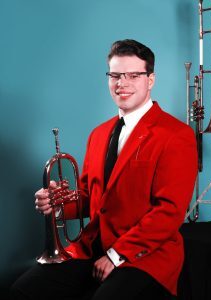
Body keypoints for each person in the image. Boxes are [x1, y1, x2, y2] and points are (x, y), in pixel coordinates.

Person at [11, 39, 198, 300]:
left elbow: (169, 212)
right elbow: (91, 197)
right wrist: (58, 204)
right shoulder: (99, 134)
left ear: (151, 80)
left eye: (134, 75)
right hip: (92, 248)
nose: (123, 83)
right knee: (23, 290)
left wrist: (116, 254)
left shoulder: (176, 135)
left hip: (145, 257)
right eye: (116, 75)